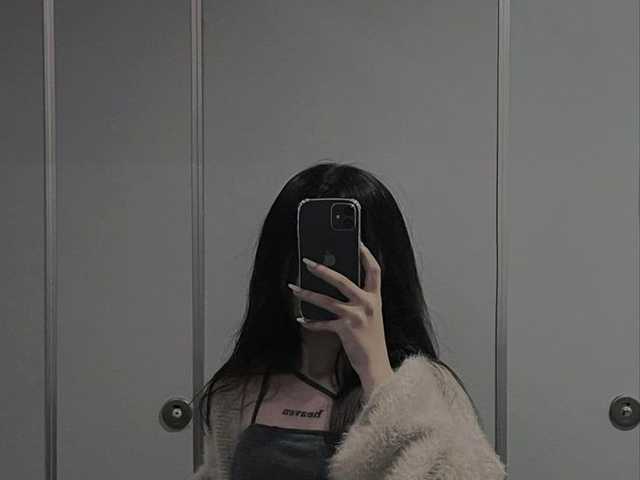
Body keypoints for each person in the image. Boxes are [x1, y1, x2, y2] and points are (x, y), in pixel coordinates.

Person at [189, 161, 507, 480]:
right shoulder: (237, 393)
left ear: (381, 266)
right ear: (278, 261)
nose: (326, 271)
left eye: (345, 259)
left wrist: (377, 374)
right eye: (308, 253)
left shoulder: (428, 391)